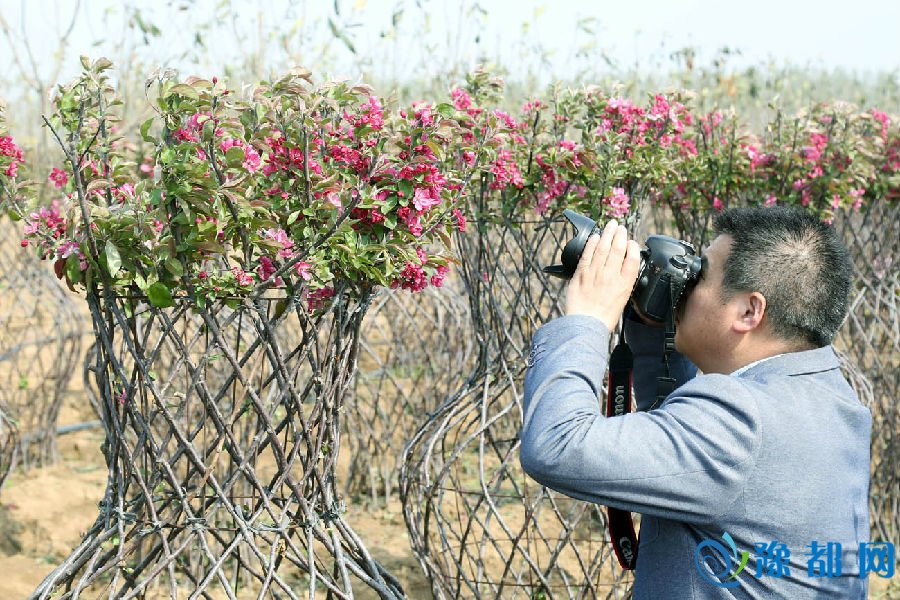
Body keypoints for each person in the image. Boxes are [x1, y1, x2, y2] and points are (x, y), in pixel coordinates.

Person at [519, 206, 871, 598]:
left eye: (699, 275)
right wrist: (655, 326)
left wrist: (588, 318)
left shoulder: (742, 423)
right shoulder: (831, 400)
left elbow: (556, 445)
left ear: (749, 310)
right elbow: (683, 452)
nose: (686, 284)